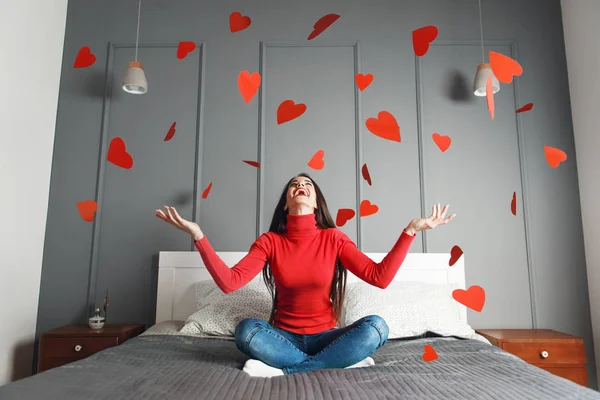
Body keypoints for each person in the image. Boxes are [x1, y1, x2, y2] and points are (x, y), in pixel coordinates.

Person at [156, 173, 455, 377]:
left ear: (315, 202)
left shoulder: (333, 239)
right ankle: (335, 364)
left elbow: (379, 277)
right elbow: (229, 282)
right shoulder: (270, 242)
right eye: (294, 185)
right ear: (286, 203)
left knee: (377, 328)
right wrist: (198, 236)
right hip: (282, 338)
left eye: (307, 185)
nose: (300, 186)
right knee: (246, 330)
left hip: (328, 338)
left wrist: (410, 231)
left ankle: (291, 369)